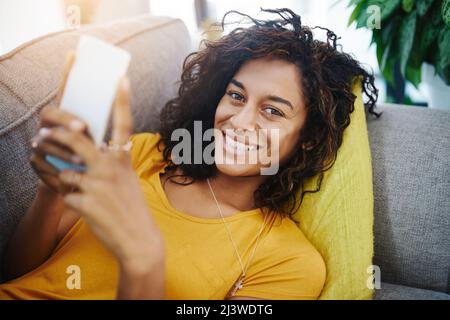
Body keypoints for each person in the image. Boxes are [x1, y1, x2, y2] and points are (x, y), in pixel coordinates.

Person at [0, 8, 379, 300]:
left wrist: (143, 258)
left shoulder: (289, 263)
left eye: (273, 110)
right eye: (236, 95)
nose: (239, 121)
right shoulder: (144, 154)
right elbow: (17, 272)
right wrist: (51, 189)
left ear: (309, 138)